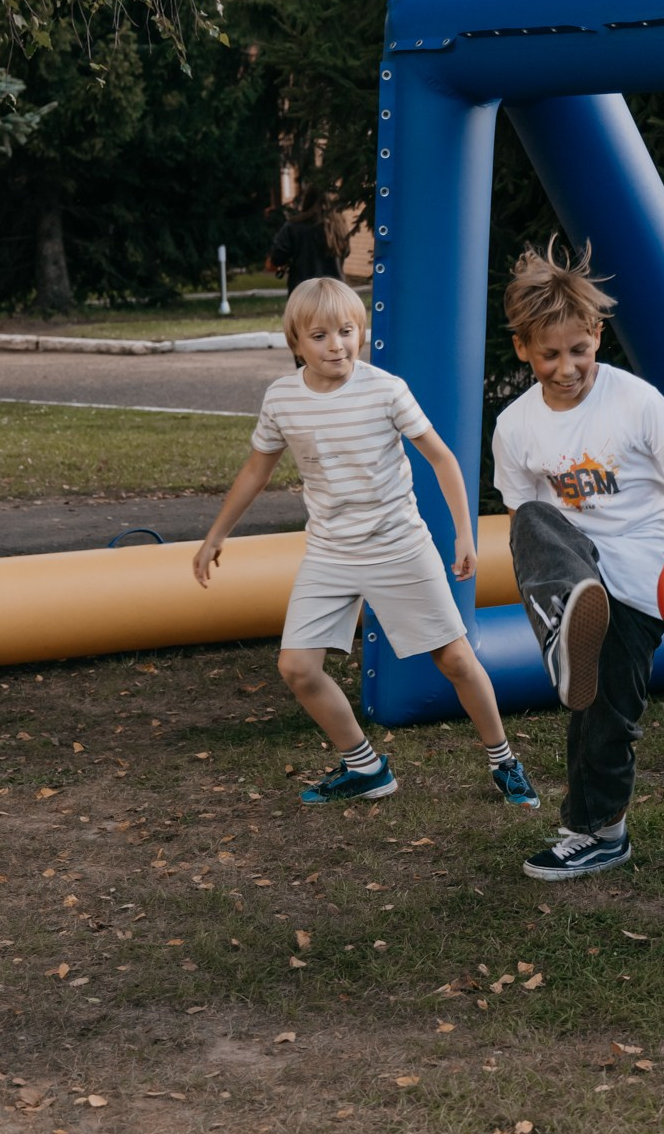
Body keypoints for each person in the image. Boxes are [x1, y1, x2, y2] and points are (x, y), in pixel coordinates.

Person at [194, 277, 539, 809]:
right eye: (320, 335)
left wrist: (465, 532)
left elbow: (442, 458)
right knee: (296, 668)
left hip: (399, 547)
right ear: (295, 342)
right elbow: (256, 472)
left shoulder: (385, 389)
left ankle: (504, 762)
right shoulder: (282, 398)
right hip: (330, 553)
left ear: (361, 333)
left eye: (347, 331)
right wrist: (216, 535)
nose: (336, 344)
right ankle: (365, 767)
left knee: (454, 659)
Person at [492, 240, 664, 882]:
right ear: (523, 349)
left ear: (597, 337)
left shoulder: (637, 402)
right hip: (575, 577)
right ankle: (566, 631)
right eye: (549, 354)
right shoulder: (515, 426)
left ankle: (602, 833)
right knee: (530, 519)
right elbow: (527, 528)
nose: (565, 367)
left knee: (606, 712)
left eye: (578, 350)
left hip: (641, 586)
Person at [265, 197, 348, 292]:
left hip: (303, 293)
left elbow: (275, 260)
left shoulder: (293, 227)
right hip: (336, 293)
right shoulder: (340, 227)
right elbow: (346, 252)